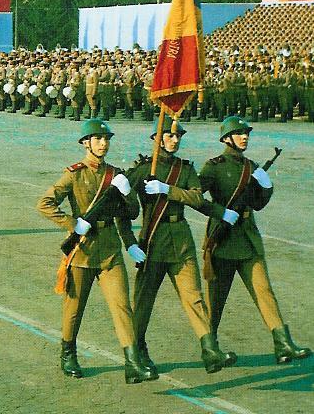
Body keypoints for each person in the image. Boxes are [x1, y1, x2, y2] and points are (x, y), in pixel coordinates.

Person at [37, 119, 155, 383]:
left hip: (110, 250)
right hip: (83, 251)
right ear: (85, 143)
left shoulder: (115, 174)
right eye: (98, 139)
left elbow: (130, 213)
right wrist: (72, 223)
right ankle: (68, 355)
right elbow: (44, 203)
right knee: (74, 308)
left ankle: (132, 363)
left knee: (122, 306)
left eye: (106, 139)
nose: (103, 143)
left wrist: (127, 193)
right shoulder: (74, 174)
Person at [125, 117, 236, 375]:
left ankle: (210, 350)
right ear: (156, 138)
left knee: (193, 297)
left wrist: (167, 189)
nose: (175, 140)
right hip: (153, 241)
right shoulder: (143, 170)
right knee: (143, 302)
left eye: (178, 136)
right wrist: (129, 242)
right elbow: (121, 206)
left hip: (181, 242)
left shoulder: (184, 169)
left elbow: (196, 198)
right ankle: (137, 352)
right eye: (170, 135)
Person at [199, 116, 311, 364]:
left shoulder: (251, 166)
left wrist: (266, 187)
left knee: (264, 291)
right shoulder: (213, 167)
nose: (245, 137)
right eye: (239, 133)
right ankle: (210, 349)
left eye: (246, 133)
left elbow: (258, 204)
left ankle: (283, 344)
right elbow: (196, 197)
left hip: (248, 238)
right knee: (215, 300)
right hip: (223, 241)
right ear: (226, 138)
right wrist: (220, 212)